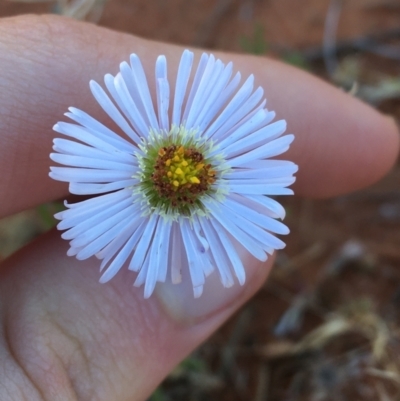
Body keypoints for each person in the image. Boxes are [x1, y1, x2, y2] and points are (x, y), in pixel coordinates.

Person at [0, 14, 398, 401]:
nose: (183, 174)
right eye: (179, 171)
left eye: (190, 174)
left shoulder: (206, 175)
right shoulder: (136, 171)